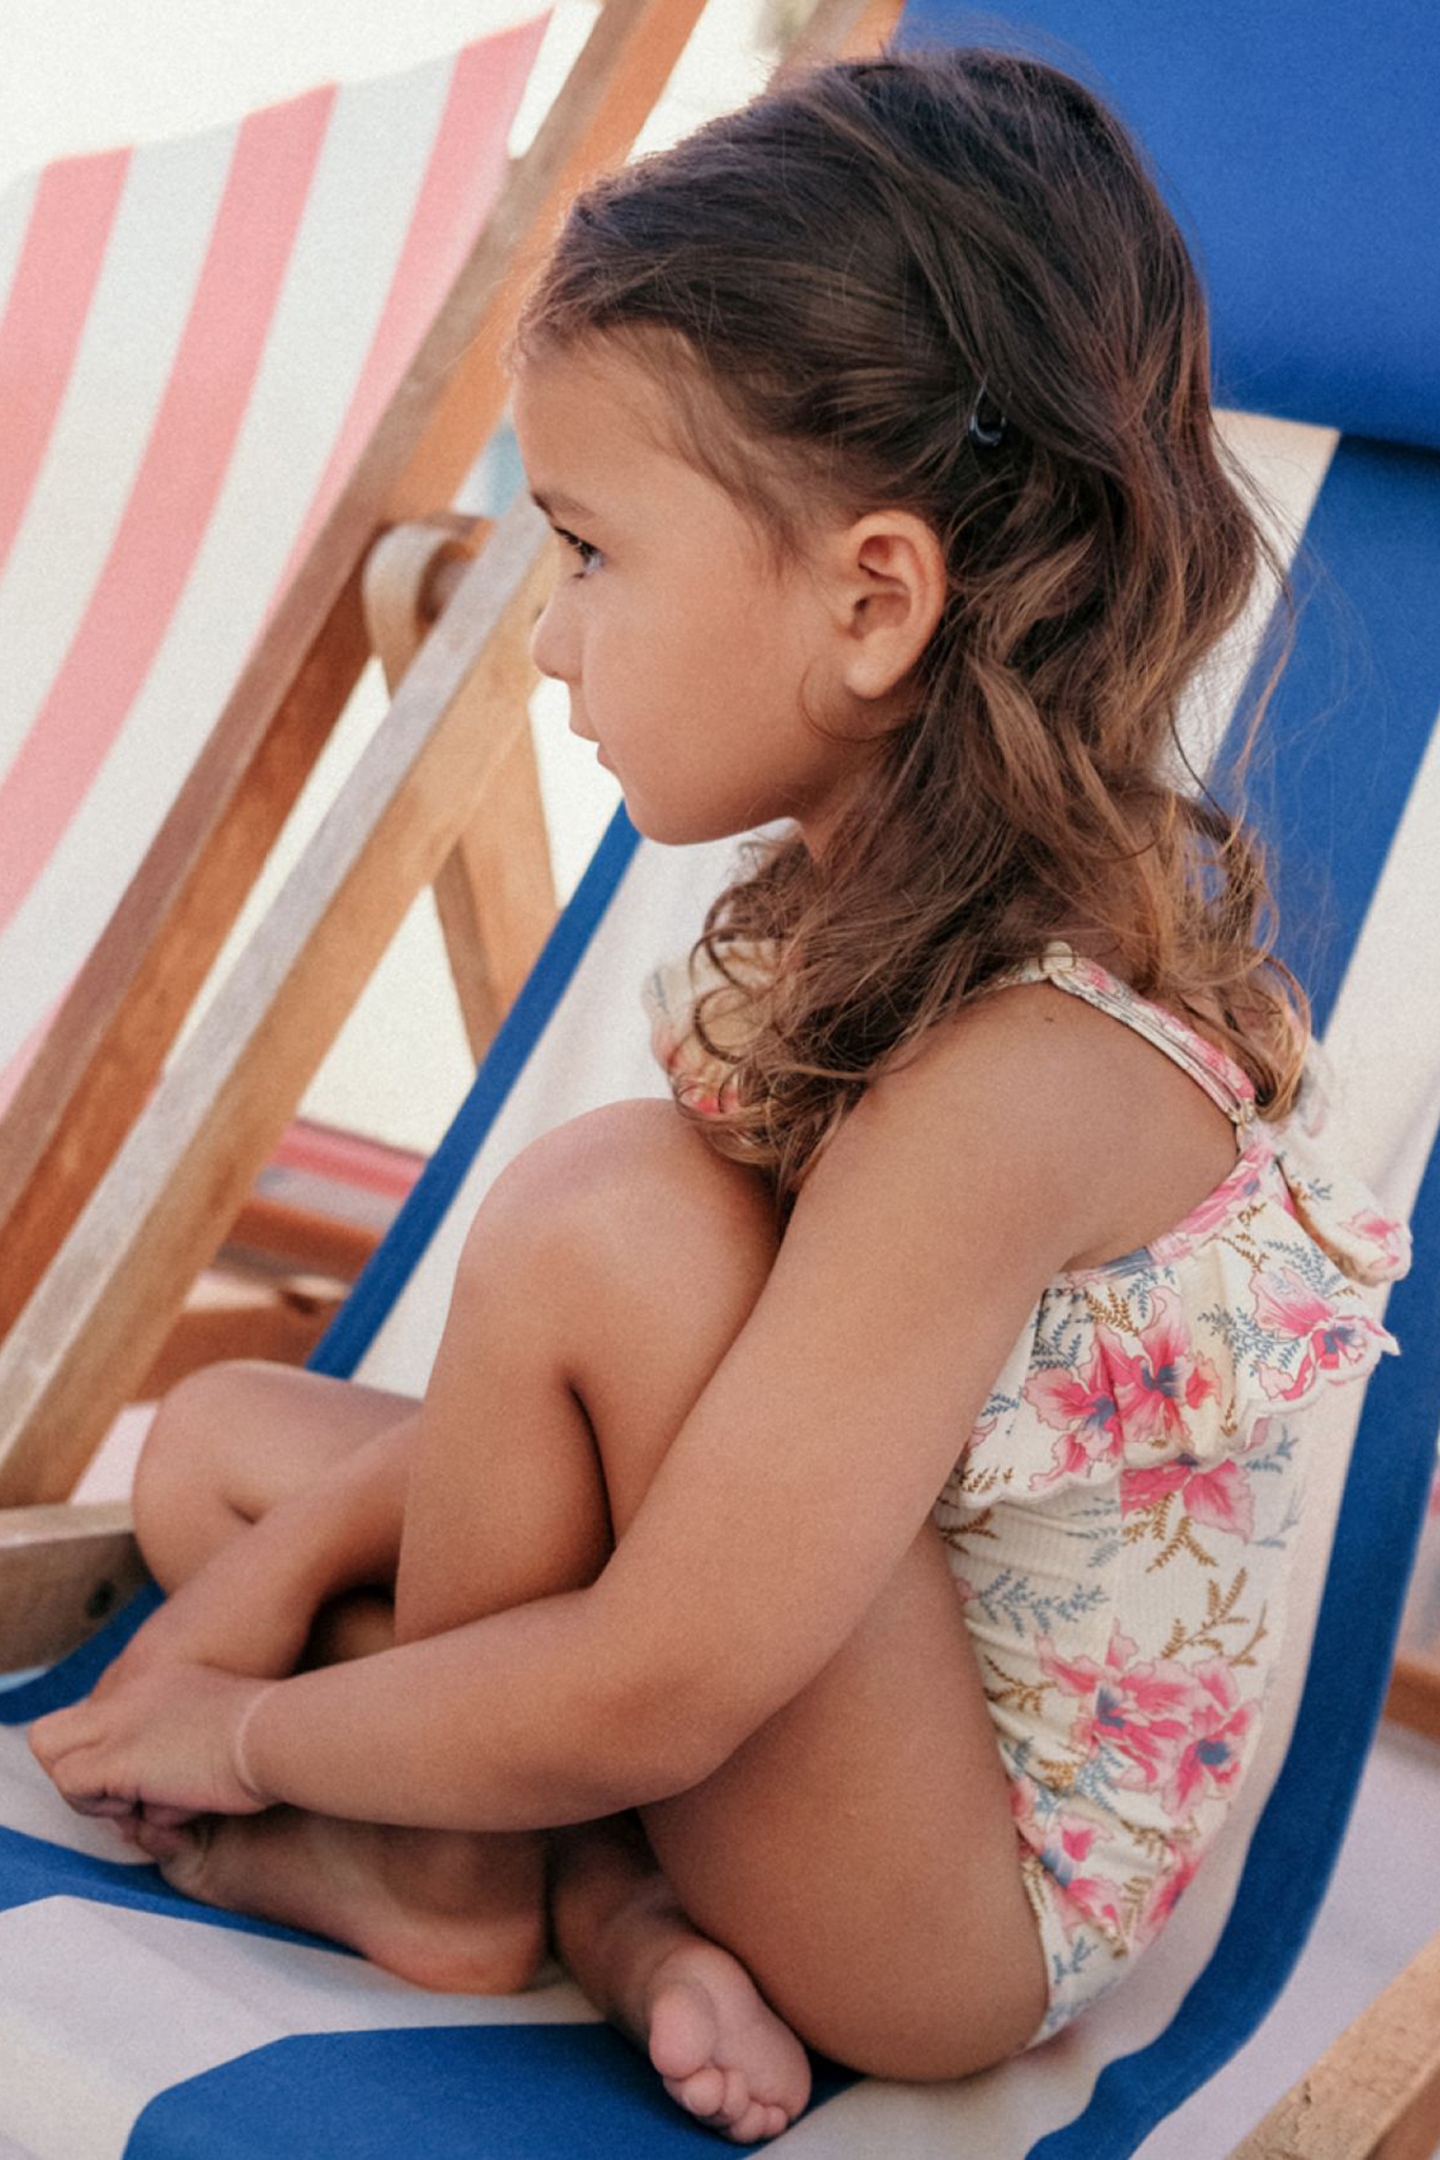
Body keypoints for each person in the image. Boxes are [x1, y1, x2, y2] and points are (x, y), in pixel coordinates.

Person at [31, 45, 1410, 2146]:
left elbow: (674, 1670)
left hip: (942, 1909)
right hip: (807, 1661)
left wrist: (244, 1742)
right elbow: (706, 1487)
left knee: (600, 1215)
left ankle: (446, 1863)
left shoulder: (1014, 1075)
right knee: (229, 1447)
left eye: (584, 550)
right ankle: (614, 1905)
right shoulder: (843, 916)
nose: (548, 643)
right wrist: (254, 1581)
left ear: (875, 600)